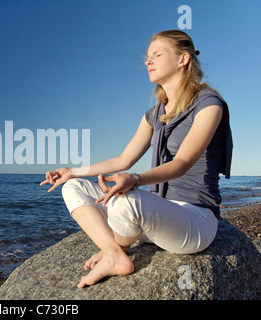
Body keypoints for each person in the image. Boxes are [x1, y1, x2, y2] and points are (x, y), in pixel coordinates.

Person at [40, 30, 232, 289]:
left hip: (194, 220)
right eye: (147, 57)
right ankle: (114, 253)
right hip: (156, 216)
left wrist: (136, 180)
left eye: (157, 55)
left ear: (183, 59)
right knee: (74, 188)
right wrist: (72, 171)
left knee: (126, 201)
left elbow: (182, 162)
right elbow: (123, 159)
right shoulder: (154, 114)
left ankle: (115, 249)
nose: (147, 62)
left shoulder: (209, 105)